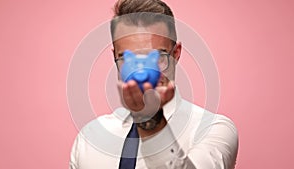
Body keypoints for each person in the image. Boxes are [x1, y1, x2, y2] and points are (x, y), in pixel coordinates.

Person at [69, 0, 238, 168]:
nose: (143, 72)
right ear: (115, 57)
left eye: (157, 57)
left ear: (176, 54)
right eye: (129, 59)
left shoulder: (212, 129)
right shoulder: (89, 138)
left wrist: (150, 120)